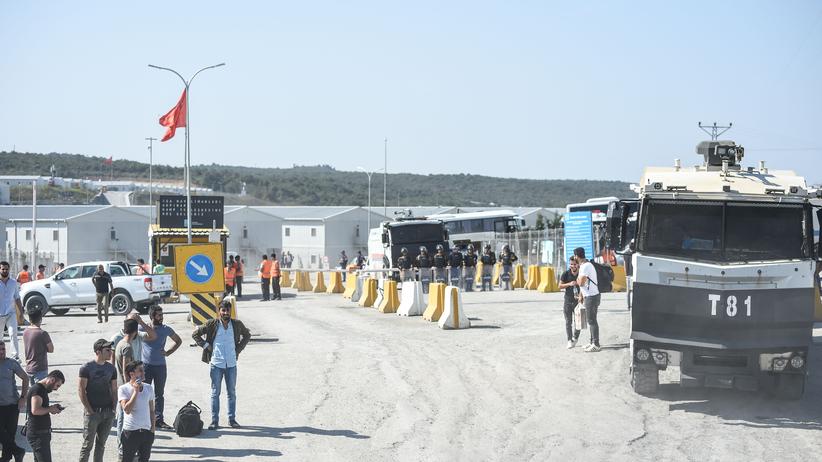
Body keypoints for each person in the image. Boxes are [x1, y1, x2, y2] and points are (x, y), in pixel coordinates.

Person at [192, 300, 251, 430]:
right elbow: (195, 334)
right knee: (215, 393)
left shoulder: (236, 324)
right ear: (219, 312)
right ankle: (214, 421)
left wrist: (238, 349)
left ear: (230, 311)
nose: (225, 313)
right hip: (216, 364)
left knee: (231, 393)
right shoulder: (212, 324)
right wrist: (207, 346)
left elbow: (247, 335)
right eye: (223, 310)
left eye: (227, 310)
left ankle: (232, 419)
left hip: (231, 364)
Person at [112, 316, 156, 456]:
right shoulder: (127, 347)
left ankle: (122, 447)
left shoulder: (119, 343)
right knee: (124, 419)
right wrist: (130, 389)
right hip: (128, 388)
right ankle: (122, 447)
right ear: (135, 331)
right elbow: (127, 371)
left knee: (121, 418)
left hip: (122, 386)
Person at [141, 305, 181, 430]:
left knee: (159, 394)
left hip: (160, 366)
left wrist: (168, 352)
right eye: (159, 315)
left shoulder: (166, 329)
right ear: (152, 316)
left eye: (162, 315)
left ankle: (159, 420)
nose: (161, 317)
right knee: (143, 392)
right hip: (145, 366)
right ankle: (144, 419)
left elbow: (178, 340)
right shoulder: (143, 328)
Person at [78, 339, 117, 462]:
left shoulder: (111, 368)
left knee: (101, 445)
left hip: (107, 412)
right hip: (92, 412)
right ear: (98, 352)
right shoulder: (86, 368)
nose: (110, 352)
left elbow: (114, 389)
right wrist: (89, 410)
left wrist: (114, 408)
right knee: (87, 445)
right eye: (107, 350)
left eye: (110, 350)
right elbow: (81, 390)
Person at [118, 361, 155, 462]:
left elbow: (152, 410)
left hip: (146, 433)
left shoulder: (149, 388)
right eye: (140, 370)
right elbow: (127, 410)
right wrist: (135, 391)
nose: (144, 372)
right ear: (131, 374)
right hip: (130, 433)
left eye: (143, 370)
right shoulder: (123, 389)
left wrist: (152, 430)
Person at [25, 370, 65, 462]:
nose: (56, 388)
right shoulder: (37, 390)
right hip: (38, 435)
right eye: (57, 385)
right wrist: (50, 409)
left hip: (40, 434)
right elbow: (35, 410)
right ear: (52, 380)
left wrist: (51, 408)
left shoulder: (41, 389)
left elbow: (40, 409)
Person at [0, 341, 28, 462]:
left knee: (10, 434)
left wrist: (23, 397)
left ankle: (6, 458)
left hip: (12, 405)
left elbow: (25, 378)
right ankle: (18, 451)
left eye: (3, 349)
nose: (1, 352)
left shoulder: (11, 363)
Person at [575, 247, 601, 352]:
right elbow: (584, 284)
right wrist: (581, 295)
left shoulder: (585, 266)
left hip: (591, 297)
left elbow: (580, 283)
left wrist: (577, 278)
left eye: (575, 256)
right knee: (591, 320)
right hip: (590, 296)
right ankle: (592, 342)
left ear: (577, 256)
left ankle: (596, 344)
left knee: (592, 320)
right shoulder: (586, 265)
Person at [0, 261, 24, 362]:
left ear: (9, 269)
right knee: (0, 337)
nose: (5, 271)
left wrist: (21, 313)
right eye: (3, 269)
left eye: (6, 269)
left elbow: (17, 298)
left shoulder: (13, 283)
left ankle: (15, 357)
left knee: (13, 333)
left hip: (11, 313)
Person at [23, 309, 53, 386]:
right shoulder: (43, 333)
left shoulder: (25, 331)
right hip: (40, 369)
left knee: (32, 393)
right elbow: (51, 349)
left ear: (29, 319)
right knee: (41, 393)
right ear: (41, 319)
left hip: (29, 368)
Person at [559, 257, 582, 349]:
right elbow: (559, 286)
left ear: (578, 265)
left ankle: (575, 337)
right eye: (571, 264)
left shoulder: (581, 273)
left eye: (574, 264)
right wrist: (569, 284)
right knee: (568, 322)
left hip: (578, 301)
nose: (573, 266)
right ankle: (569, 340)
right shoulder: (565, 274)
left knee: (578, 322)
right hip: (568, 301)